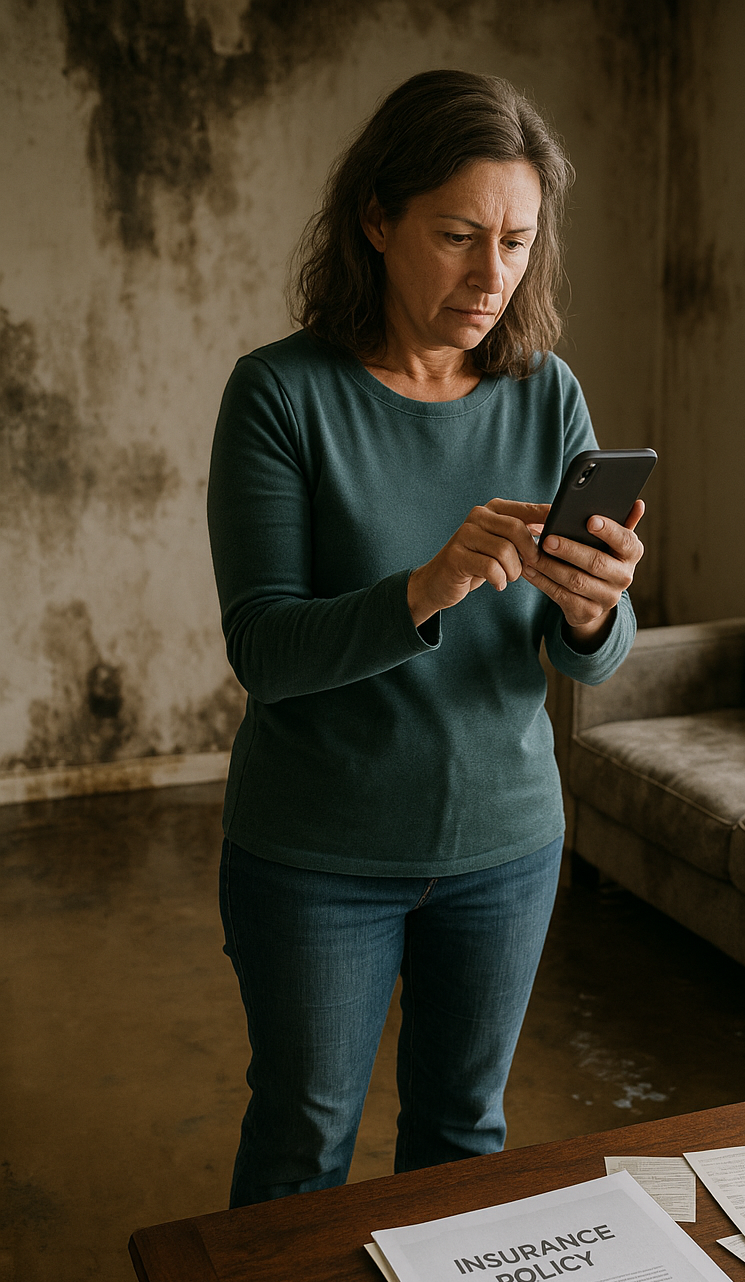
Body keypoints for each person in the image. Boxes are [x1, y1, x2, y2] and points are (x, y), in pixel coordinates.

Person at [207, 69, 645, 1207]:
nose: (489, 275)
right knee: (304, 1144)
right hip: (316, 857)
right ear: (376, 219)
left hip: (505, 848)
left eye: (514, 241)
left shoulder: (547, 395)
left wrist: (595, 607)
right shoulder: (278, 395)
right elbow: (264, 650)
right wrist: (430, 584)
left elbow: (582, 652)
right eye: (457, 235)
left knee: (463, 1137)